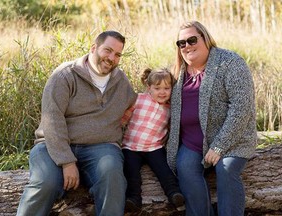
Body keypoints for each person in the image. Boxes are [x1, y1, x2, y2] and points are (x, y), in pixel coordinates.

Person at [16, 30, 137, 216]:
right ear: (94, 48)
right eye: (108, 50)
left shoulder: (120, 81)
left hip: (101, 148)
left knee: (113, 178)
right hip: (52, 146)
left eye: (117, 54)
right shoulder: (65, 75)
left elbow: (137, 103)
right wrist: (67, 162)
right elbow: (52, 119)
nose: (111, 58)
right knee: (45, 182)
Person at [166, 21, 257, 216]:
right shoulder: (176, 72)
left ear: (205, 38)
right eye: (181, 43)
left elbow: (241, 108)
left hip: (233, 140)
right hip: (192, 143)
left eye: (192, 40)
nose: (187, 46)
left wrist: (219, 146)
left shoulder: (230, 62)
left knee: (225, 170)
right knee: (185, 169)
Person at [121, 68, 185, 213]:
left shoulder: (170, 108)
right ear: (149, 88)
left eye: (166, 88)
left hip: (154, 147)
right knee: (131, 174)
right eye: (157, 88)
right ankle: (133, 199)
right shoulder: (138, 99)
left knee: (164, 170)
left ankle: (174, 193)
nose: (162, 92)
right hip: (131, 147)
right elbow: (124, 119)